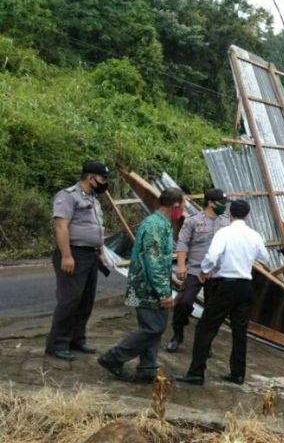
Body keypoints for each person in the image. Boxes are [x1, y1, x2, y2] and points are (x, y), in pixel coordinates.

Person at [173, 199, 269, 386]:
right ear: (247, 215)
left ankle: (196, 372)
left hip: (226, 285)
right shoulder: (255, 235)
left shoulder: (224, 232)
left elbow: (212, 255)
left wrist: (204, 270)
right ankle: (238, 374)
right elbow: (263, 258)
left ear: (230, 214)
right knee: (240, 331)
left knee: (206, 328)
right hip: (246, 286)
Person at [97, 188, 184, 383]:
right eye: (183, 205)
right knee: (153, 328)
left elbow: (161, 260)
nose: (183, 210)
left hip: (154, 284)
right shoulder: (155, 226)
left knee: (154, 326)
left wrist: (169, 281)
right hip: (147, 286)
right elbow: (153, 261)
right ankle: (113, 357)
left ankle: (147, 369)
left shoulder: (163, 224)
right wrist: (164, 291)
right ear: (176, 205)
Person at [46, 161, 110, 361]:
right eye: (103, 179)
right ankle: (57, 344)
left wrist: (100, 252)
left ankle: (77, 339)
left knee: (86, 300)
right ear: (91, 178)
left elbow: (95, 228)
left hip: (90, 254)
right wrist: (66, 255)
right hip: (74, 253)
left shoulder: (93, 198)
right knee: (70, 300)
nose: (105, 183)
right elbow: (60, 227)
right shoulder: (67, 196)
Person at [166, 188, 229, 352]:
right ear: (210, 203)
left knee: (212, 310)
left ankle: (206, 343)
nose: (224, 206)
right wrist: (180, 265)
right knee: (183, 303)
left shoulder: (226, 222)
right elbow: (182, 243)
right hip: (195, 270)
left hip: (216, 274)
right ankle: (177, 335)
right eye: (221, 203)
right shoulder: (193, 220)